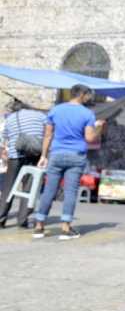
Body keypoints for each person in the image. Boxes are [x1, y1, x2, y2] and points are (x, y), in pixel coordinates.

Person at [34, 85, 103, 240]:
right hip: (76, 155)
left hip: (57, 153)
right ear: (82, 95)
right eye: (88, 95)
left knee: (49, 191)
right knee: (70, 191)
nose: (88, 98)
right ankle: (65, 228)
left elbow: (47, 135)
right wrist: (97, 128)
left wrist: (43, 155)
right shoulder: (87, 114)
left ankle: (39, 226)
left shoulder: (55, 110)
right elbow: (90, 138)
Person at [0, 101, 46, 229]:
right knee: (29, 188)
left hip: (15, 155)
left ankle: (1, 218)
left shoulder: (11, 119)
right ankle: (22, 220)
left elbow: (6, 141)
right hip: (34, 155)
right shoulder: (41, 116)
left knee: (8, 188)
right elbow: (48, 133)